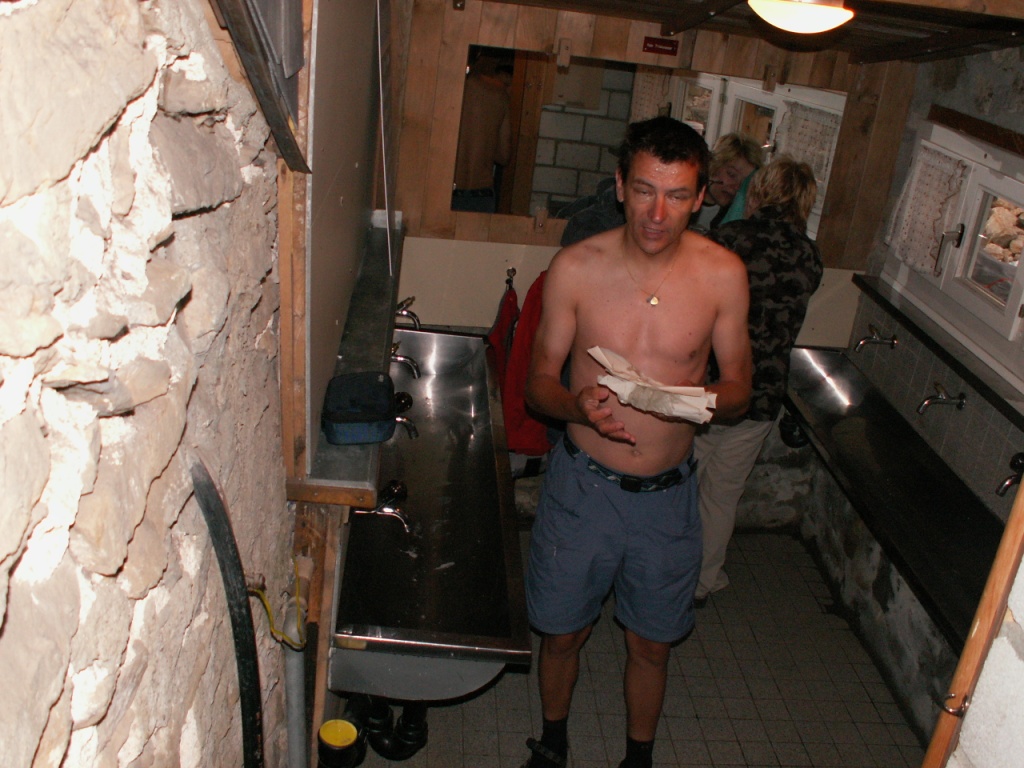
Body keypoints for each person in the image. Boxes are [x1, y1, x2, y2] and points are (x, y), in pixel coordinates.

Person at [521, 116, 753, 768]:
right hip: (582, 489)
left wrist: (691, 400)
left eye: (676, 196)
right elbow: (538, 384)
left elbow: (740, 388)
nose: (657, 213)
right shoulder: (576, 267)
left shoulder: (723, 274)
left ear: (701, 197)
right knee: (562, 634)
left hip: (667, 499)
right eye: (645, 190)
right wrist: (577, 407)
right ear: (621, 185)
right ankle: (554, 742)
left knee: (651, 644)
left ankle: (638, 759)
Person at [693, 156, 824, 603]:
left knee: (679, 484)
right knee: (722, 495)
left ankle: (659, 572)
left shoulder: (727, 240)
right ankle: (703, 581)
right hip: (763, 393)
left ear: (759, 190)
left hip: (709, 384)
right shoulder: (809, 256)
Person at [451, 49, 513, 213]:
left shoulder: (443, 90)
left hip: (445, 189)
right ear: (478, 56)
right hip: (481, 193)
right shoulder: (499, 93)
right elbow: (503, 155)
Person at [690, 133, 763, 232]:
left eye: (744, 183)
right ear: (713, 164)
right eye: (732, 175)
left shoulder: (737, 215)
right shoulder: (687, 198)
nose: (737, 187)